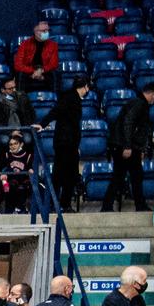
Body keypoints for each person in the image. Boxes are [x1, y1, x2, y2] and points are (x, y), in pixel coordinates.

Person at [103, 83, 154, 213]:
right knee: (124, 176)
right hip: (126, 147)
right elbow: (128, 123)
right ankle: (112, 206)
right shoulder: (139, 103)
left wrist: (140, 149)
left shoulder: (138, 103)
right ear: (152, 94)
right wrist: (127, 146)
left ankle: (112, 206)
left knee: (131, 176)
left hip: (129, 146)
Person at [46, 78, 90, 212]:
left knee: (64, 175)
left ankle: (58, 204)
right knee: (64, 175)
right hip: (66, 144)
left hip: (67, 143)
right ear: (85, 87)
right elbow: (56, 113)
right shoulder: (70, 99)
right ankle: (60, 204)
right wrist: (42, 124)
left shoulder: (70, 98)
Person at [13, 19, 58, 92]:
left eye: (48, 30)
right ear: (36, 32)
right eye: (44, 31)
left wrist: (41, 70)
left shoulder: (53, 45)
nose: (47, 33)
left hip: (44, 70)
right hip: (29, 71)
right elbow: (18, 65)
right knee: (19, 74)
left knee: (55, 73)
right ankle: (20, 100)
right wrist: (33, 71)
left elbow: (54, 64)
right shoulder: (24, 44)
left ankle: (56, 99)